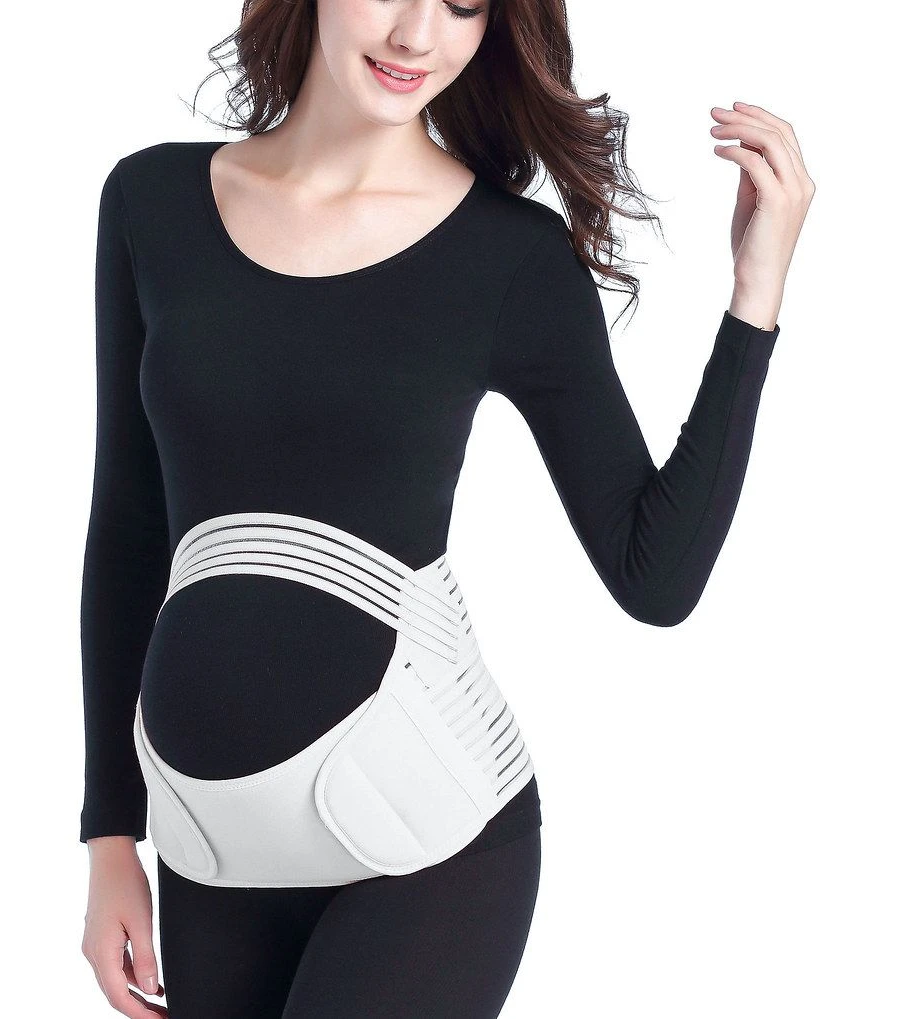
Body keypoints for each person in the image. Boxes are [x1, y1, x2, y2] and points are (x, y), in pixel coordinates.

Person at [78, 0, 814, 1014]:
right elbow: (127, 530)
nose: (417, 34)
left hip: (432, 846)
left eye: (464, 3)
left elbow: (656, 576)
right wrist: (110, 835)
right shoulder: (150, 202)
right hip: (214, 847)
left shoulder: (510, 256)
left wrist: (755, 291)